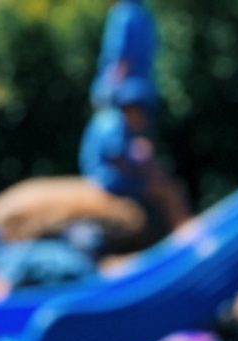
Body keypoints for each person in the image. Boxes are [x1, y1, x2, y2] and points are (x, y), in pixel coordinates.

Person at [80, 76, 190, 231]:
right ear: (132, 108)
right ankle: (184, 231)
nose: (144, 117)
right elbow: (116, 159)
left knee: (160, 176)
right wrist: (144, 167)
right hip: (107, 181)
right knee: (168, 190)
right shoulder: (114, 123)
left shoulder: (115, 120)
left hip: (105, 177)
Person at [92, 0, 159, 109]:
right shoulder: (144, 13)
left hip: (125, 92)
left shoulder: (122, 15)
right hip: (144, 88)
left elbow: (123, 57)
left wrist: (109, 90)